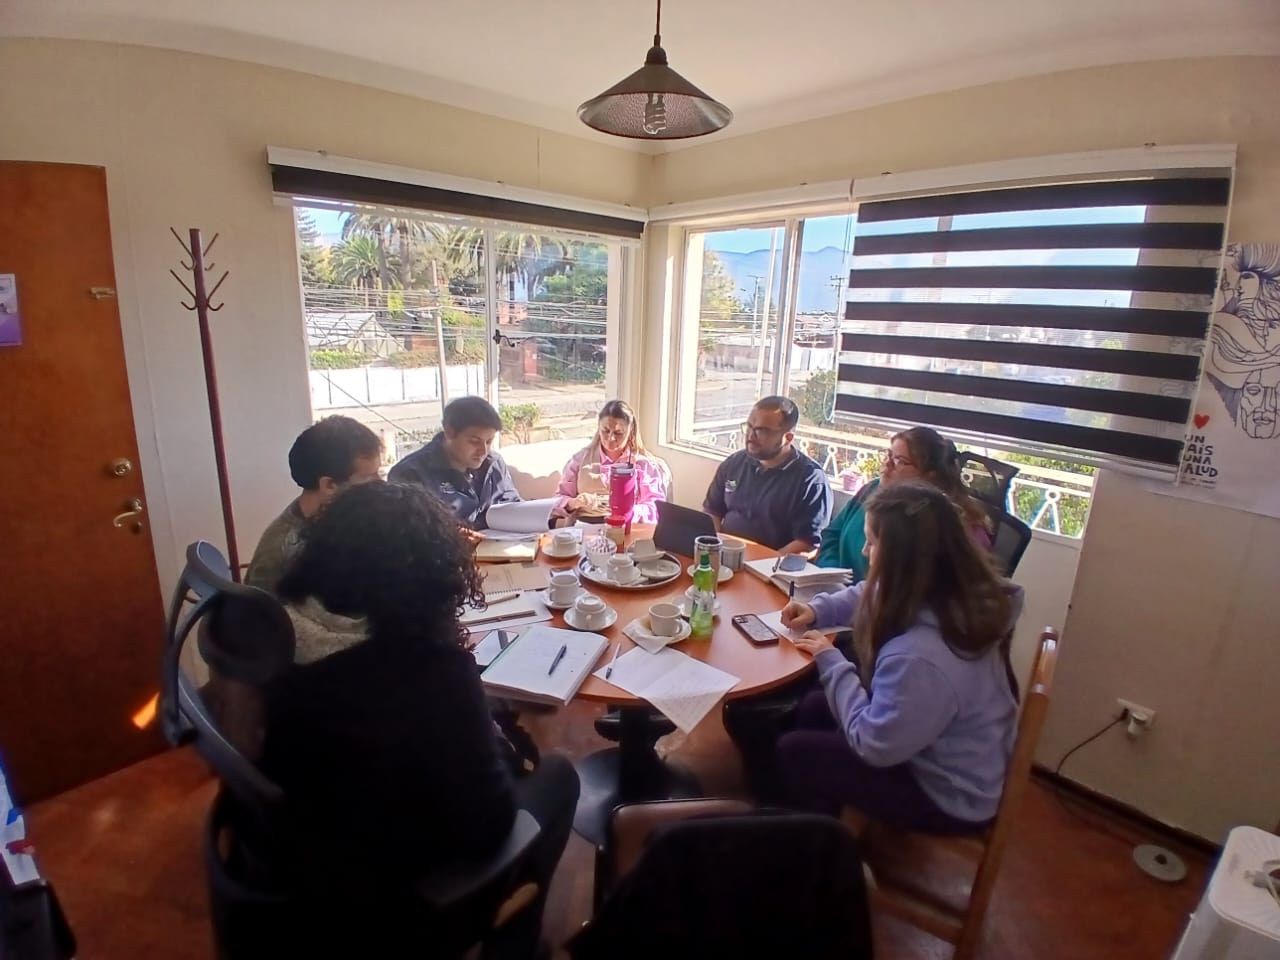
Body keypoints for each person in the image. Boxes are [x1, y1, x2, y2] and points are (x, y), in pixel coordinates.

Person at [260, 481, 579, 954]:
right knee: (558, 776)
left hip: (308, 857)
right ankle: (515, 941)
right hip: (398, 895)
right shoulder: (431, 669)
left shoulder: (283, 626)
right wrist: (515, 744)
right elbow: (487, 824)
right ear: (432, 577)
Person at [776, 482, 1023, 833]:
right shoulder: (951, 587)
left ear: (901, 558)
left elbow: (874, 745)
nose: (865, 552)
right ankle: (815, 817)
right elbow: (871, 591)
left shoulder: (922, 657)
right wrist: (818, 611)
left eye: (872, 543)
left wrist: (831, 660)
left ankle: (820, 841)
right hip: (937, 746)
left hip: (948, 793)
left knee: (795, 751)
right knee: (816, 705)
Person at [817, 426, 992, 575]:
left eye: (900, 461)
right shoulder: (872, 488)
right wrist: (832, 574)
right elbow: (832, 534)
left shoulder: (957, 524)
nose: (887, 465)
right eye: (889, 455)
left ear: (929, 475)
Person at [244, 415, 382, 593]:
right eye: (369, 477)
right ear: (329, 485)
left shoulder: (329, 519)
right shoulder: (286, 555)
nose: (380, 483)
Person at [703, 396, 832, 554]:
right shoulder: (734, 463)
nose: (751, 435)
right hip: (724, 554)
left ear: (788, 438)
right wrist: (712, 547)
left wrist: (768, 563)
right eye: (749, 427)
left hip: (770, 563)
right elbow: (712, 511)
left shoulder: (811, 479)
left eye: (761, 431)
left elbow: (808, 543)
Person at [389, 396, 521, 529]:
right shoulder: (411, 474)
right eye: (474, 442)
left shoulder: (494, 464)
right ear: (449, 433)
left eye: (489, 441)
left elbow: (514, 506)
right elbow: (413, 532)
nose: (483, 451)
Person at [556, 400, 670, 524]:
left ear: (630, 431)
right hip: (585, 527)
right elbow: (558, 500)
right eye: (605, 431)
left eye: (618, 433)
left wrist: (629, 512)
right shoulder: (580, 459)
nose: (611, 438)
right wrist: (572, 503)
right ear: (598, 428)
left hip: (627, 527)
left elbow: (655, 508)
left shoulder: (643, 464)